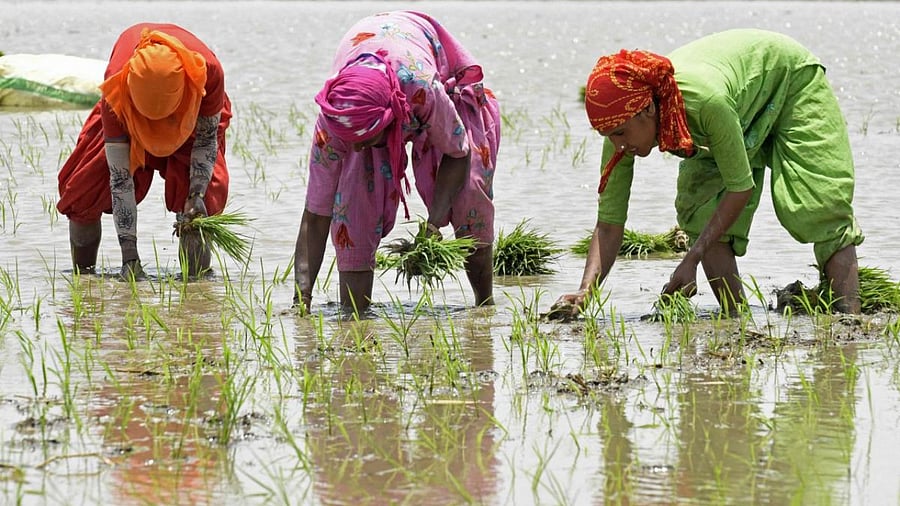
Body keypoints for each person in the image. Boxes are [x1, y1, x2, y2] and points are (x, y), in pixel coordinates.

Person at [551, 29, 863, 318]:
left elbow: (739, 187)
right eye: (609, 136)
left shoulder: (706, 104)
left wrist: (692, 259)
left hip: (788, 79)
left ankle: (848, 322)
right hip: (734, 107)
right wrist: (585, 292)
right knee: (701, 211)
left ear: (647, 109)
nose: (618, 144)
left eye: (621, 133)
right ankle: (737, 320)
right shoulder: (619, 130)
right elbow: (608, 224)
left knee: (817, 207)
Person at [293, 11, 500, 312]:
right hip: (368, 97)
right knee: (352, 209)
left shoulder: (421, 88)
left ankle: (485, 306)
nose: (360, 149)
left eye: (366, 141)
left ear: (390, 120)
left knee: (469, 195)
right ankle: (355, 316)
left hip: (417, 76)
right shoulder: (336, 117)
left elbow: (459, 152)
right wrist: (302, 299)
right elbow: (316, 213)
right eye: (354, 143)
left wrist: (434, 223)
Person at [57, 23, 231, 279]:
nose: (157, 131)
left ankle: (196, 285)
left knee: (199, 208)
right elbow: (120, 178)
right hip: (129, 116)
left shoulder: (208, 74)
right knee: (84, 189)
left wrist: (196, 194)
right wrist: (130, 259)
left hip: (189, 119)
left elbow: (205, 141)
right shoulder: (116, 89)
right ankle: (83, 279)